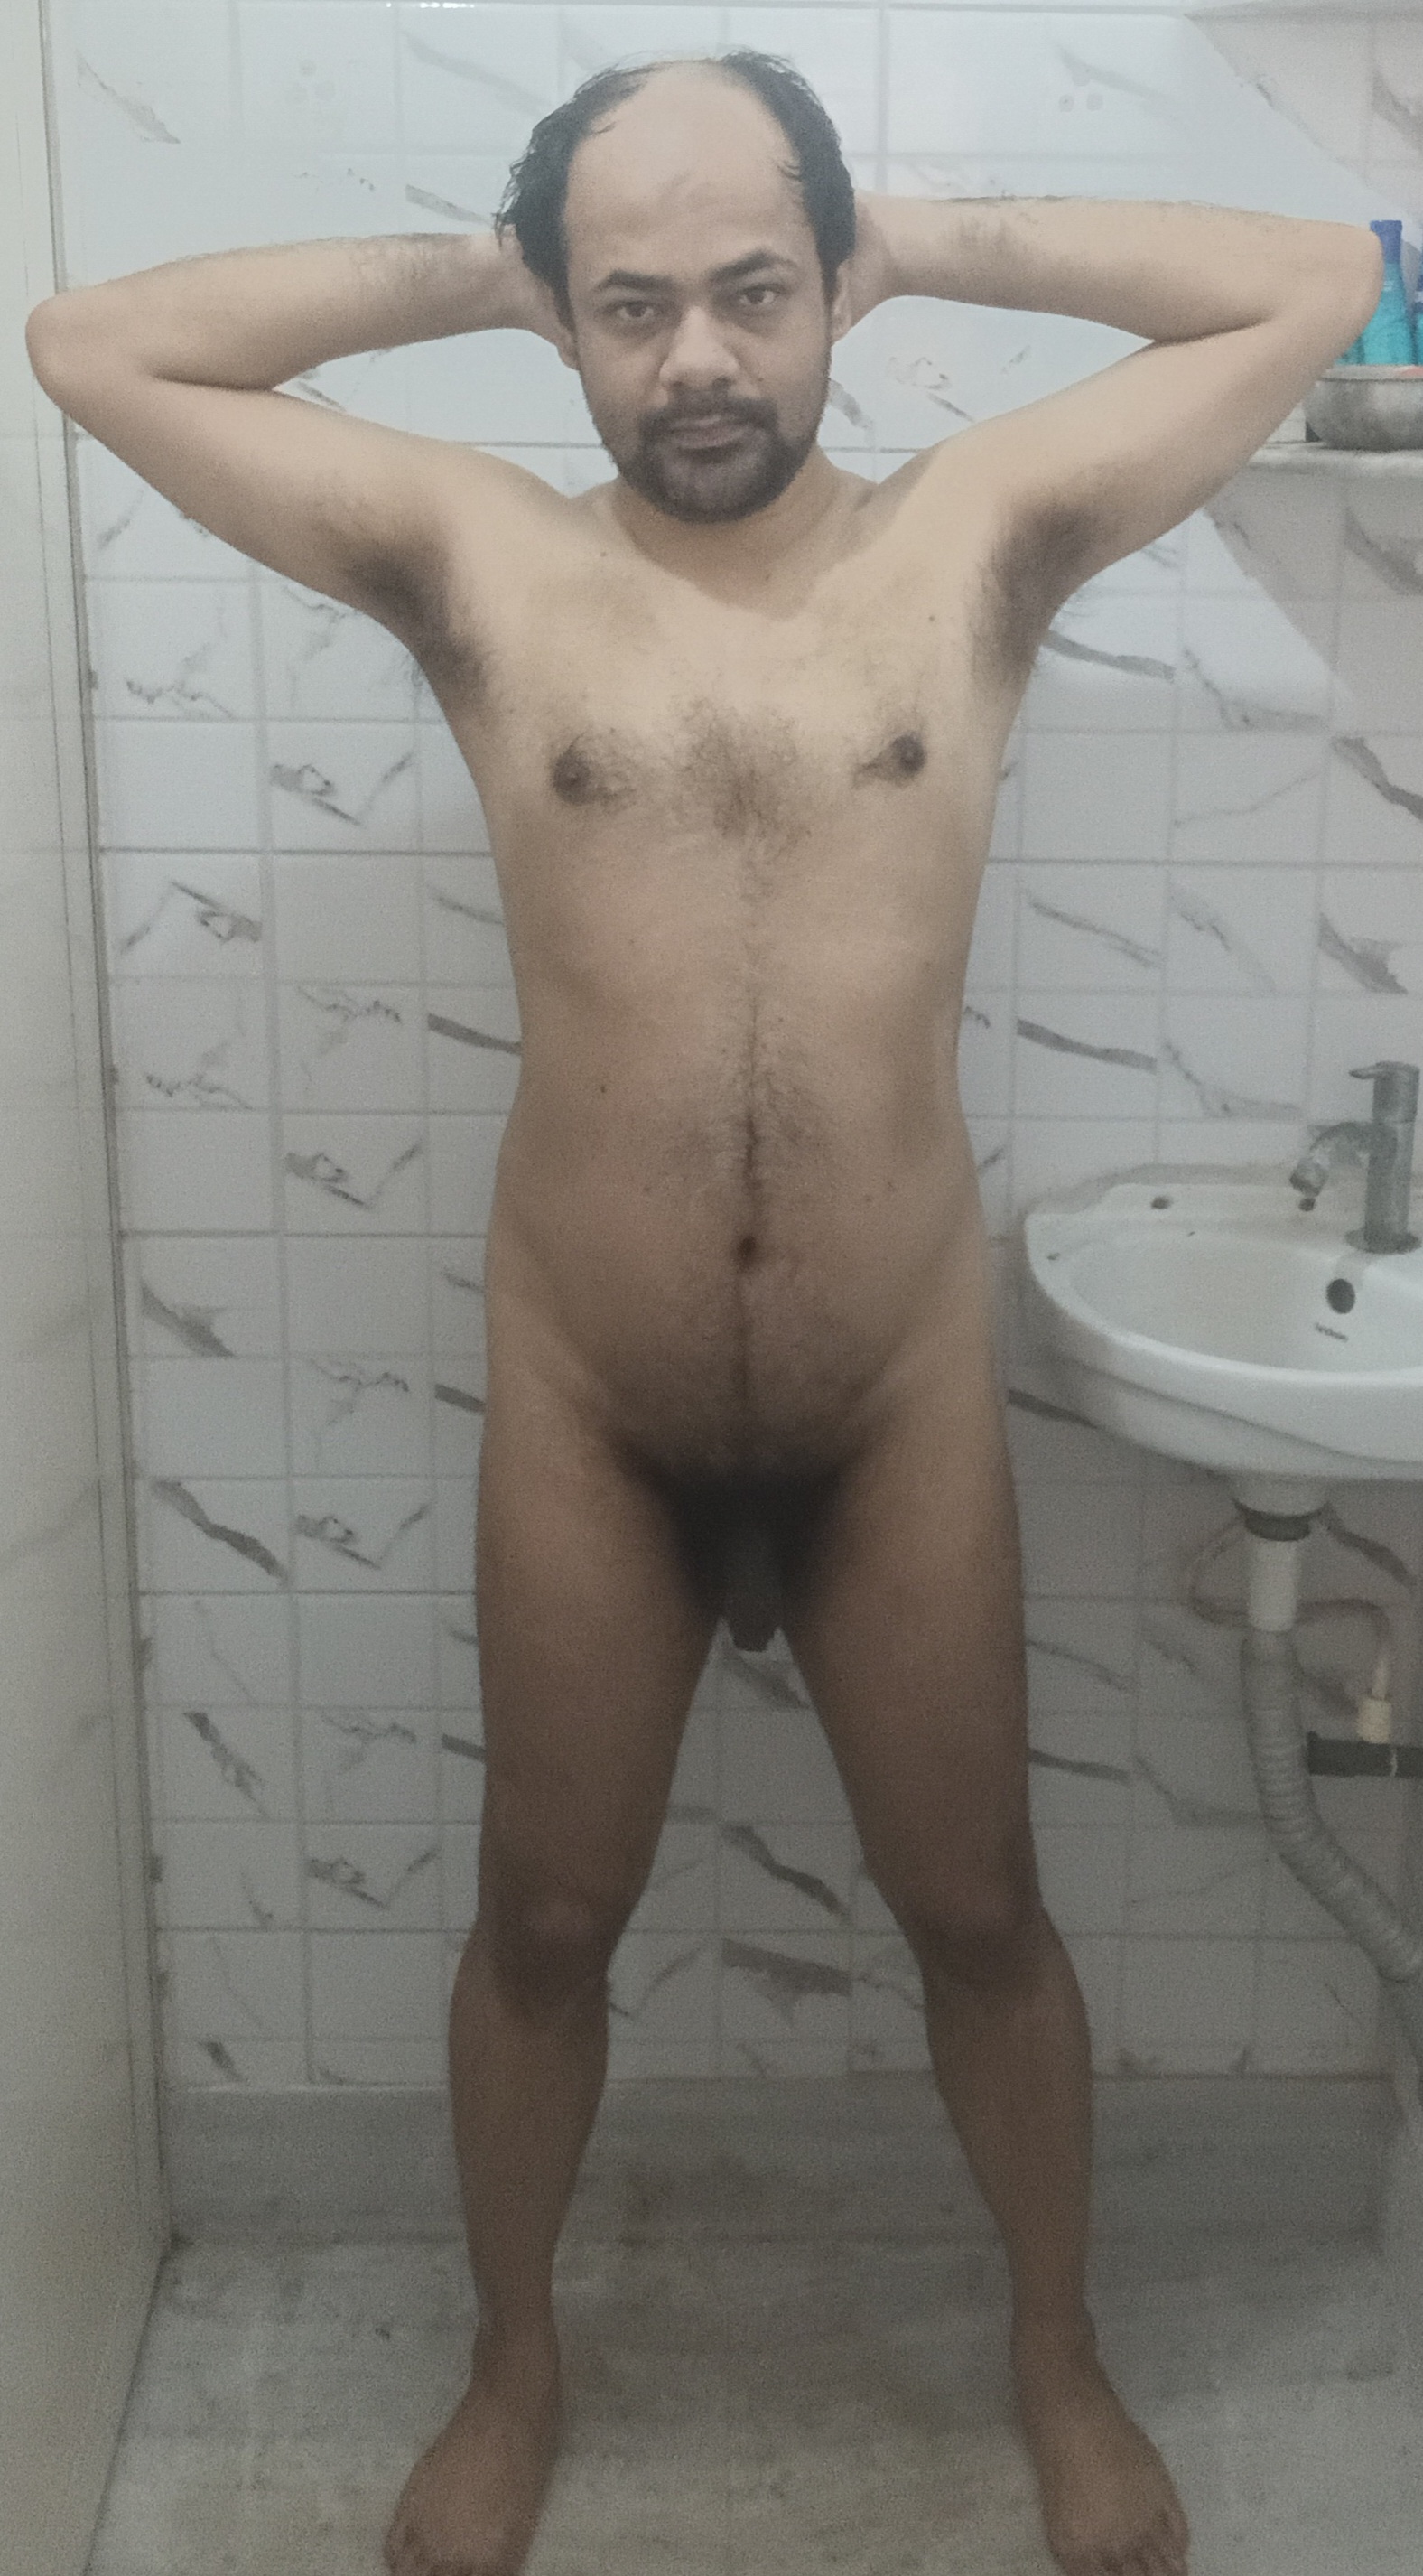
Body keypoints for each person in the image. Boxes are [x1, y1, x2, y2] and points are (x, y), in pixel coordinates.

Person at [28, 49, 1378, 2576]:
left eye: (757, 291)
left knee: (978, 1910)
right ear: (567, 324)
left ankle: (1055, 2353)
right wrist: (493, 269)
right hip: (596, 1403)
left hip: (889, 1398)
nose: (702, 363)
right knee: (545, 1919)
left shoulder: (976, 536)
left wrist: (914, 233)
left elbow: (1313, 285)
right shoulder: (480, 562)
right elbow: (93, 343)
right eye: (633, 309)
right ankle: (512, 2363)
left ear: (832, 285)